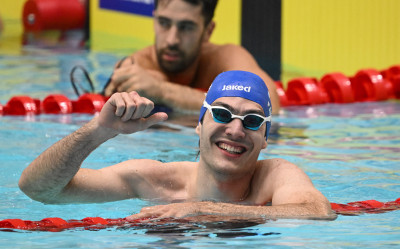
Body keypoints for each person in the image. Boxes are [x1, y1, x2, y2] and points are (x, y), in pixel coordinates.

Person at [19, 70, 335, 221]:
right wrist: (97, 131)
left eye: (252, 121)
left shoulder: (275, 175)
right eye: (222, 114)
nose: (236, 130)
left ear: (266, 138)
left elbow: (317, 211)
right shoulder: (152, 179)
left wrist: (200, 209)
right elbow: (39, 190)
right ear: (199, 124)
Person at [103, 0, 281, 114]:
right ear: (154, 19)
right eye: (164, 23)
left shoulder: (223, 59)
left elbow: (269, 104)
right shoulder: (137, 68)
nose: (172, 40)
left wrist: (162, 91)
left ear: (208, 31)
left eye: (186, 27)